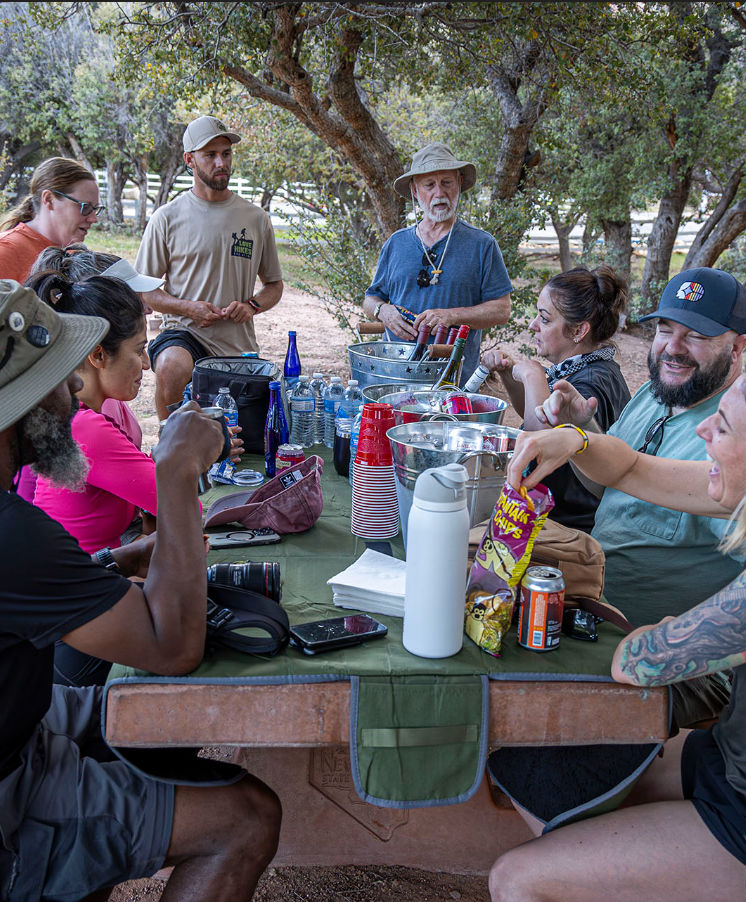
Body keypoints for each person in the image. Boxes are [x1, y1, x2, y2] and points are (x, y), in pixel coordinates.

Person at [0, 279, 280, 900]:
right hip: (11, 777)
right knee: (247, 817)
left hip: (31, 713)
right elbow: (173, 646)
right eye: (54, 378)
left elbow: (38, 586)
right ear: (16, 403)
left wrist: (119, 557)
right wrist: (178, 470)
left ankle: (82, 854)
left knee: (156, 722)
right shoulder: (12, 532)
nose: (71, 389)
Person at [489, 375, 746, 902]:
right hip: (724, 757)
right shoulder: (735, 482)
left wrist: (657, 630)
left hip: (739, 814)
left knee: (517, 880)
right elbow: (632, 468)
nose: (701, 431)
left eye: (721, 427)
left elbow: (638, 663)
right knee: (575, 804)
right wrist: (574, 438)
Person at [534, 267, 746, 627]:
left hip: (646, 644)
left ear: (738, 347)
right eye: (664, 329)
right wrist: (581, 426)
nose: (673, 348)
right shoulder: (655, 392)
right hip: (586, 605)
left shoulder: (733, 434)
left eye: (695, 336)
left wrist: (666, 647)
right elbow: (608, 482)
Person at [135, 115, 284, 420]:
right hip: (185, 333)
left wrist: (252, 306)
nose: (221, 163)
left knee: (237, 437)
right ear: (190, 160)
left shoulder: (256, 218)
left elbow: (274, 285)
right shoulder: (167, 217)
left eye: (226, 154)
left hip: (238, 345)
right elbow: (146, 288)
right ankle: (169, 442)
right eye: (210, 155)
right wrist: (189, 309)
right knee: (170, 366)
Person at [483, 264, 630, 531]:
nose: (533, 325)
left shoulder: (590, 385)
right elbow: (536, 412)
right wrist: (508, 374)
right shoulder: (585, 366)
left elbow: (540, 442)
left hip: (567, 525)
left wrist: (533, 376)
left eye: (545, 319)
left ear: (578, 331)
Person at [15, 244, 165, 503]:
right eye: (131, 298)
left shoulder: (96, 398)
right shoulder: (85, 424)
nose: (146, 307)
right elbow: (175, 504)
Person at [362, 143, 513, 384]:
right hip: (396, 379)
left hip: (454, 382)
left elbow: (502, 310)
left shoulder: (482, 244)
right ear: (414, 190)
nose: (439, 193)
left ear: (460, 183)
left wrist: (451, 316)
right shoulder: (396, 243)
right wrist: (383, 311)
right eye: (429, 185)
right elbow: (371, 299)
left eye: (447, 183)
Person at [0, 157, 102, 282]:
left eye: (95, 209)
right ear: (48, 200)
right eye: (85, 207)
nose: (93, 218)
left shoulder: (74, 253)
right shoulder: (6, 252)